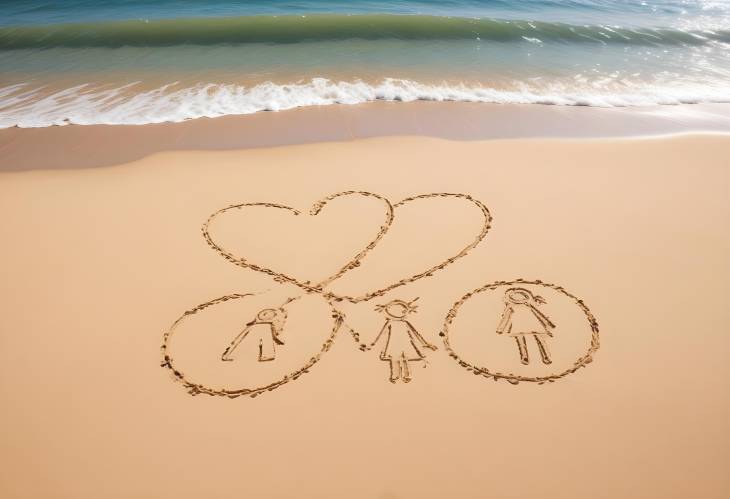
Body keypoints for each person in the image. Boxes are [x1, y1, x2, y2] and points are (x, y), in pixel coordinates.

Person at [365, 298, 437, 383]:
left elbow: (415, 333)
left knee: (404, 359)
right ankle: (395, 376)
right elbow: (382, 333)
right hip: (393, 345)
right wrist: (373, 343)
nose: (401, 312)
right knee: (395, 359)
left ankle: (406, 375)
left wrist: (425, 343)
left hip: (405, 344)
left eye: (403, 310)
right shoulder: (390, 323)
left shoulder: (405, 323)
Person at [495, 288, 555, 365]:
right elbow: (506, 317)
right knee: (525, 339)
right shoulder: (512, 306)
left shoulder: (527, 305)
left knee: (536, 338)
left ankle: (544, 356)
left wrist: (549, 325)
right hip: (521, 324)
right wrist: (500, 329)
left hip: (530, 323)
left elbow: (538, 314)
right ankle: (526, 357)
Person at [221, 307, 286, 362]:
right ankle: (266, 355)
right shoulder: (276, 315)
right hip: (263, 326)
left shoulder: (270, 313)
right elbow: (275, 331)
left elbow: (259, 318)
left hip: (255, 325)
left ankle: (227, 354)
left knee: (239, 340)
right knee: (266, 340)